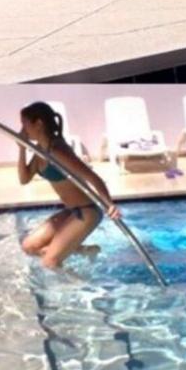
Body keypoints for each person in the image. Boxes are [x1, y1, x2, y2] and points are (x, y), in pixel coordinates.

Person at [16, 101, 121, 269]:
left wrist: (110, 205)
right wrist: (21, 149)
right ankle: (86, 250)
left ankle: (79, 284)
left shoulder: (57, 151)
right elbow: (24, 179)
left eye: (25, 124)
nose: (22, 130)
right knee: (29, 247)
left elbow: (92, 177)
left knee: (50, 262)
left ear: (39, 124)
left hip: (87, 211)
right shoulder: (41, 152)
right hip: (72, 211)